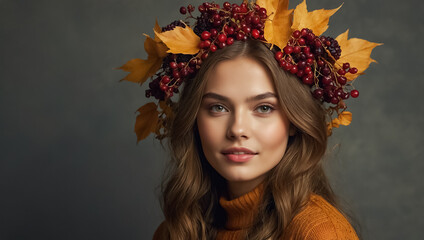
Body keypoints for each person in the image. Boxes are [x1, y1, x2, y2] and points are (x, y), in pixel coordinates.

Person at [119, 1, 380, 239]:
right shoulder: (176, 230)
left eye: (264, 108)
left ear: (293, 121)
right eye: (218, 107)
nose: (238, 129)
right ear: (194, 118)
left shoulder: (319, 233)